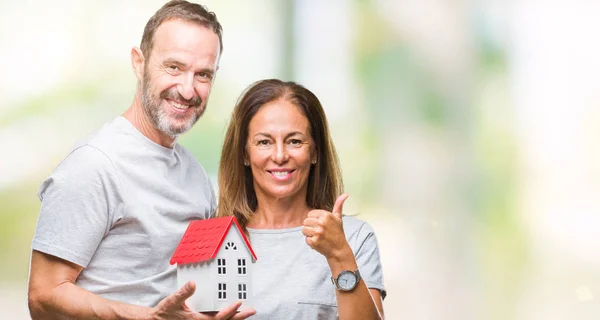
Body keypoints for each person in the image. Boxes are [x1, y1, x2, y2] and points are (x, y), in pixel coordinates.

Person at [27, 1, 255, 319]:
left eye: (202, 75)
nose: (188, 90)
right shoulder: (94, 166)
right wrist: (146, 317)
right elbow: (43, 295)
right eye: (174, 67)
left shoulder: (196, 176)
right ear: (139, 62)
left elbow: (191, 292)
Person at [217, 79, 386, 319]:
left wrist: (339, 254)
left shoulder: (354, 237)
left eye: (294, 141)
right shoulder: (216, 241)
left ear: (315, 151)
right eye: (264, 142)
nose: (279, 155)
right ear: (245, 153)